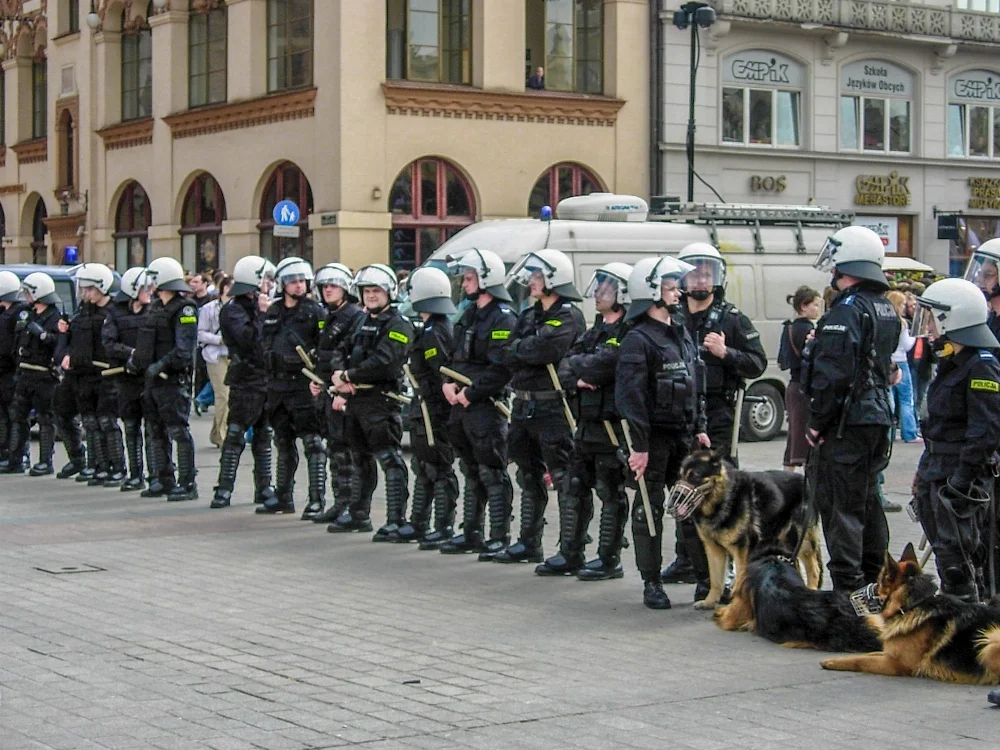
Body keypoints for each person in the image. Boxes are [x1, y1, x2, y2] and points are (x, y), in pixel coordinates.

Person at [661, 243, 766, 594]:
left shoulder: (731, 319)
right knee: (682, 485)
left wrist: (726, 352)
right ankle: (686, 558)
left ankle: (730, 569)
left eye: (707, 272)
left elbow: (757, 362)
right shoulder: (673, 317)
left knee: (721, 492)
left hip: (719, 413)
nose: (701, 279)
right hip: (682, 413)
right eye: (695, 272)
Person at [803, 225, 900, 593]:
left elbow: (833, 376)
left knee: (840, 507)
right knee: (868, 499)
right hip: (877, 418)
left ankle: (848, 595)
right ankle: (876, 582)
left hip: (848, 423)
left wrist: (816, 423)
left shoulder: (846, 310)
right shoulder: (885, 306)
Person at [615, 256, 709, 609]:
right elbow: (630, 397)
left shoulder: (681, 332)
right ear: (650, 292)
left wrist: (700, 428)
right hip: (652, 441)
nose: (678, 293)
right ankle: (651, 583)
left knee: (692, 508)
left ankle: (706, 582)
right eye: (670, 288)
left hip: (683, 437)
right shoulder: (637, 340)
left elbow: (694, 383)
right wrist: (638, 447)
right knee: (649, 513)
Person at [910, 277, 1000, 605]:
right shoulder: (951, 365)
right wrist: (923, 472)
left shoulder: (981, 367)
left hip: (961, 475)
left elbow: (985, 432)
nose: (929, 327)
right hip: (938, 469)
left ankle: (969, 633)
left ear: (953, 319)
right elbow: (936, 427)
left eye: (933, 318)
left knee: (958, 561)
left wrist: (961, 482)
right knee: (947, 556)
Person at [493, 249, 585, 564]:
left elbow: (545, 349)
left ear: (553, 280)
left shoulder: (568, 315)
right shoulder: (530, 314)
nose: (531, 282)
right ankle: (529, 542)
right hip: (524, 405)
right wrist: (523, 350)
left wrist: (523, 350)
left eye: (537, 277)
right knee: (528, 474)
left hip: (554, 409)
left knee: (563, 477)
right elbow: (506, 350)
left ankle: (571, 549)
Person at [549, 263, 633, 580]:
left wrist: (586, 371)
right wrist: (581, 376)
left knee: (610, 491)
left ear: (622, 293)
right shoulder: (594, 330)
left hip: (612, 427)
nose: (598, 293)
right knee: (574, 486)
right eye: (598, 287)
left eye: (606, 288)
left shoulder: (629, 332)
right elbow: (566, 367)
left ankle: (608, 559)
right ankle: (570, 552)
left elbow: (605, 367)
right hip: (585, 425)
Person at [323, 264, 414, 539]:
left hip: (381, 402)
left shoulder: (399, 324)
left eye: (376, 290)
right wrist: (341, 377)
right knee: (359, 458)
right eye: (367, 291)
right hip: (356, 400)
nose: (371, 296)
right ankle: (358, 514)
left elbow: (385, 362)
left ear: (389, 292)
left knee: (389, 459)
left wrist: (348, 374)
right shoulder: (362, 321)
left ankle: (396, 519)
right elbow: (341, 349)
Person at [438, 249, 516, 556]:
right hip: (461, 406)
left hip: (486, 407)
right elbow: (454, 356)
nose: (464, 283)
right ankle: (471, 531)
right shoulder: (468, 313)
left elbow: (501, 367)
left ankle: (499, 535)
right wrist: (448, 383)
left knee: (492, 472)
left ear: (487, 279)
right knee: (470, 470)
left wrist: (471, 393)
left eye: (469, 277)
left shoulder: (504, 317)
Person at [389, 266, 460, 544]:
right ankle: (419, 522)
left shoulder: (436, 331)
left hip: (434, 409)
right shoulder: (431, 327)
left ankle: (443, 525)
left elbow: (442, 369)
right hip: (423, 406)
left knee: (439, 467)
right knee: (423, 465)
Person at [260, 257, 327, 518]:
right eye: (293, 281)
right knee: (283, 441)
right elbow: (264, 341)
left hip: (301, 386)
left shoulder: (315, 311)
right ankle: (283, 496)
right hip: (277, 387)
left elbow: (322, 346)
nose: (299, 286)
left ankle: (316, 499)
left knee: (313, 443)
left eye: (302, 281)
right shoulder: (274, 311)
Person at [211, 257, 277, 509]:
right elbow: (251, 341)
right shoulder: (233, 310)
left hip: (265, 379)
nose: (269, 284)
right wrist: (261, 314)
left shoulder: (261, 306)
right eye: (265, 279)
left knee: (263, 435)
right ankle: (224, 488)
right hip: (245, 380)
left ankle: (264, 487)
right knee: (236, 433)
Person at [133, 257, 200, 502]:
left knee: (178, 430)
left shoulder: (185, 309)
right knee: (154, 430)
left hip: (172, 380)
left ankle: (187, 482)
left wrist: (161, 365)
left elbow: (184, 349)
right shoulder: (155, 307)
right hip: (153, 381)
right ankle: (163, 478)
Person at [310, 263, 367, 525]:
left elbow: (349, 355)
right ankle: (340, 501)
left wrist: (342, 392)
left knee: (349, 452)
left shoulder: (353, 315)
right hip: (328, 389)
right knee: (336, 450)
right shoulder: (330, 315)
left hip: (344, 392)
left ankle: (352, 505)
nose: (328, 290)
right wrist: (320, 383)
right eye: (325, 286)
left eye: (333, 285)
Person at [58, 264, 125, 485]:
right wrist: (67, 349)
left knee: (107, 421)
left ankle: (117, 466)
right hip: (81, 375)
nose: (85, 293)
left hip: (105, 375)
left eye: (89, 289)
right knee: (90, 422)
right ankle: (98, 465)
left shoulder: (114, 312)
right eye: (83, 289)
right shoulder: (81, 312)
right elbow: (74, 341)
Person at [5, 273, 63, 474]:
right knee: (17, 416)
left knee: (45, 418)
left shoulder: (54, 317)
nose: (26, 296)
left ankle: (45, 461)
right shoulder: (28, 314)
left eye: (29, 292)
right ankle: (16, 459)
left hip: (44, 376)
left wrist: (43, 334)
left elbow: (58, 342)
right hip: (25, 373)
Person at [102, 267, 152, 491]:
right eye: (146, 287)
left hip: (151, 378)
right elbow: (109, 343)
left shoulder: (155, 310)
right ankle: (135, 473)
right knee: (131, 426)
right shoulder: (114, 312)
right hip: (126, 378)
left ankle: (158, 475)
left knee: (154, 429)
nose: (150, 291)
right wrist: (131, 353)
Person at [782, 286, 821, 473]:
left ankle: (786, 476)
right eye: (814, 305)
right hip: (805, 386)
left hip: (793, 385)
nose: (817, 309)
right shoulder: (809, 329)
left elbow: (783, 359)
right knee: (804, 435)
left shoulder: (788, 327)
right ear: (803, 306)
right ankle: (806, 484)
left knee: (793, 434)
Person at [198, 277, 233, 448]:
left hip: (233, 355)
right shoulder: (208, 309)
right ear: (223, 288)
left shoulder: (238, 309)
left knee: (228, 396)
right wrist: (219, 339)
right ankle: (222, 436)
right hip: (215, 355)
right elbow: (201, 333)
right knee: (223, 395)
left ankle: (215, 432)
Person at [0, 271, 28, 471]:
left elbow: (12, 345)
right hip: (4, 371)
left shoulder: (17, 314)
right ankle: (5, 451)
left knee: (14, 413)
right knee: (3, 415)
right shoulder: (5, 313)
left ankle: (17, 454)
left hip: (11, 371)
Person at [886, 290, 920, 444]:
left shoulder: (884, 321)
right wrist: (915, 337)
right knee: (906, 399)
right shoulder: (902, 323)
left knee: (888, 398)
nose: (904, 307)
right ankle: (909, 432)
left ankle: (888, 434)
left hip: (886, 362)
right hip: (901, 361)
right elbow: (907, 345)